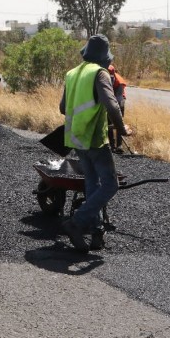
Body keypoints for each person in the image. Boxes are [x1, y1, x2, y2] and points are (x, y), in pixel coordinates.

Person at [60, 35, 132, 253]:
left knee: (92, 185)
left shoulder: (72, 73)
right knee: (110, 185)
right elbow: (112, 105)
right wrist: (122, 129)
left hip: (76, 138)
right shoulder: (100, 73)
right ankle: (76, 222)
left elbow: (63, 108)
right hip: (93, 138)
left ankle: (97, 234)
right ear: (104, 57)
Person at [107, 64, 127, 153]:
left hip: (119, 101)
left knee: (118, 123)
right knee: (108, 123)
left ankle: (119, 146)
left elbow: (117, 101)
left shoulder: (120, 82)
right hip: (108, 100)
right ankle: (112, 146)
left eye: (111, 78)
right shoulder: (102, 77)